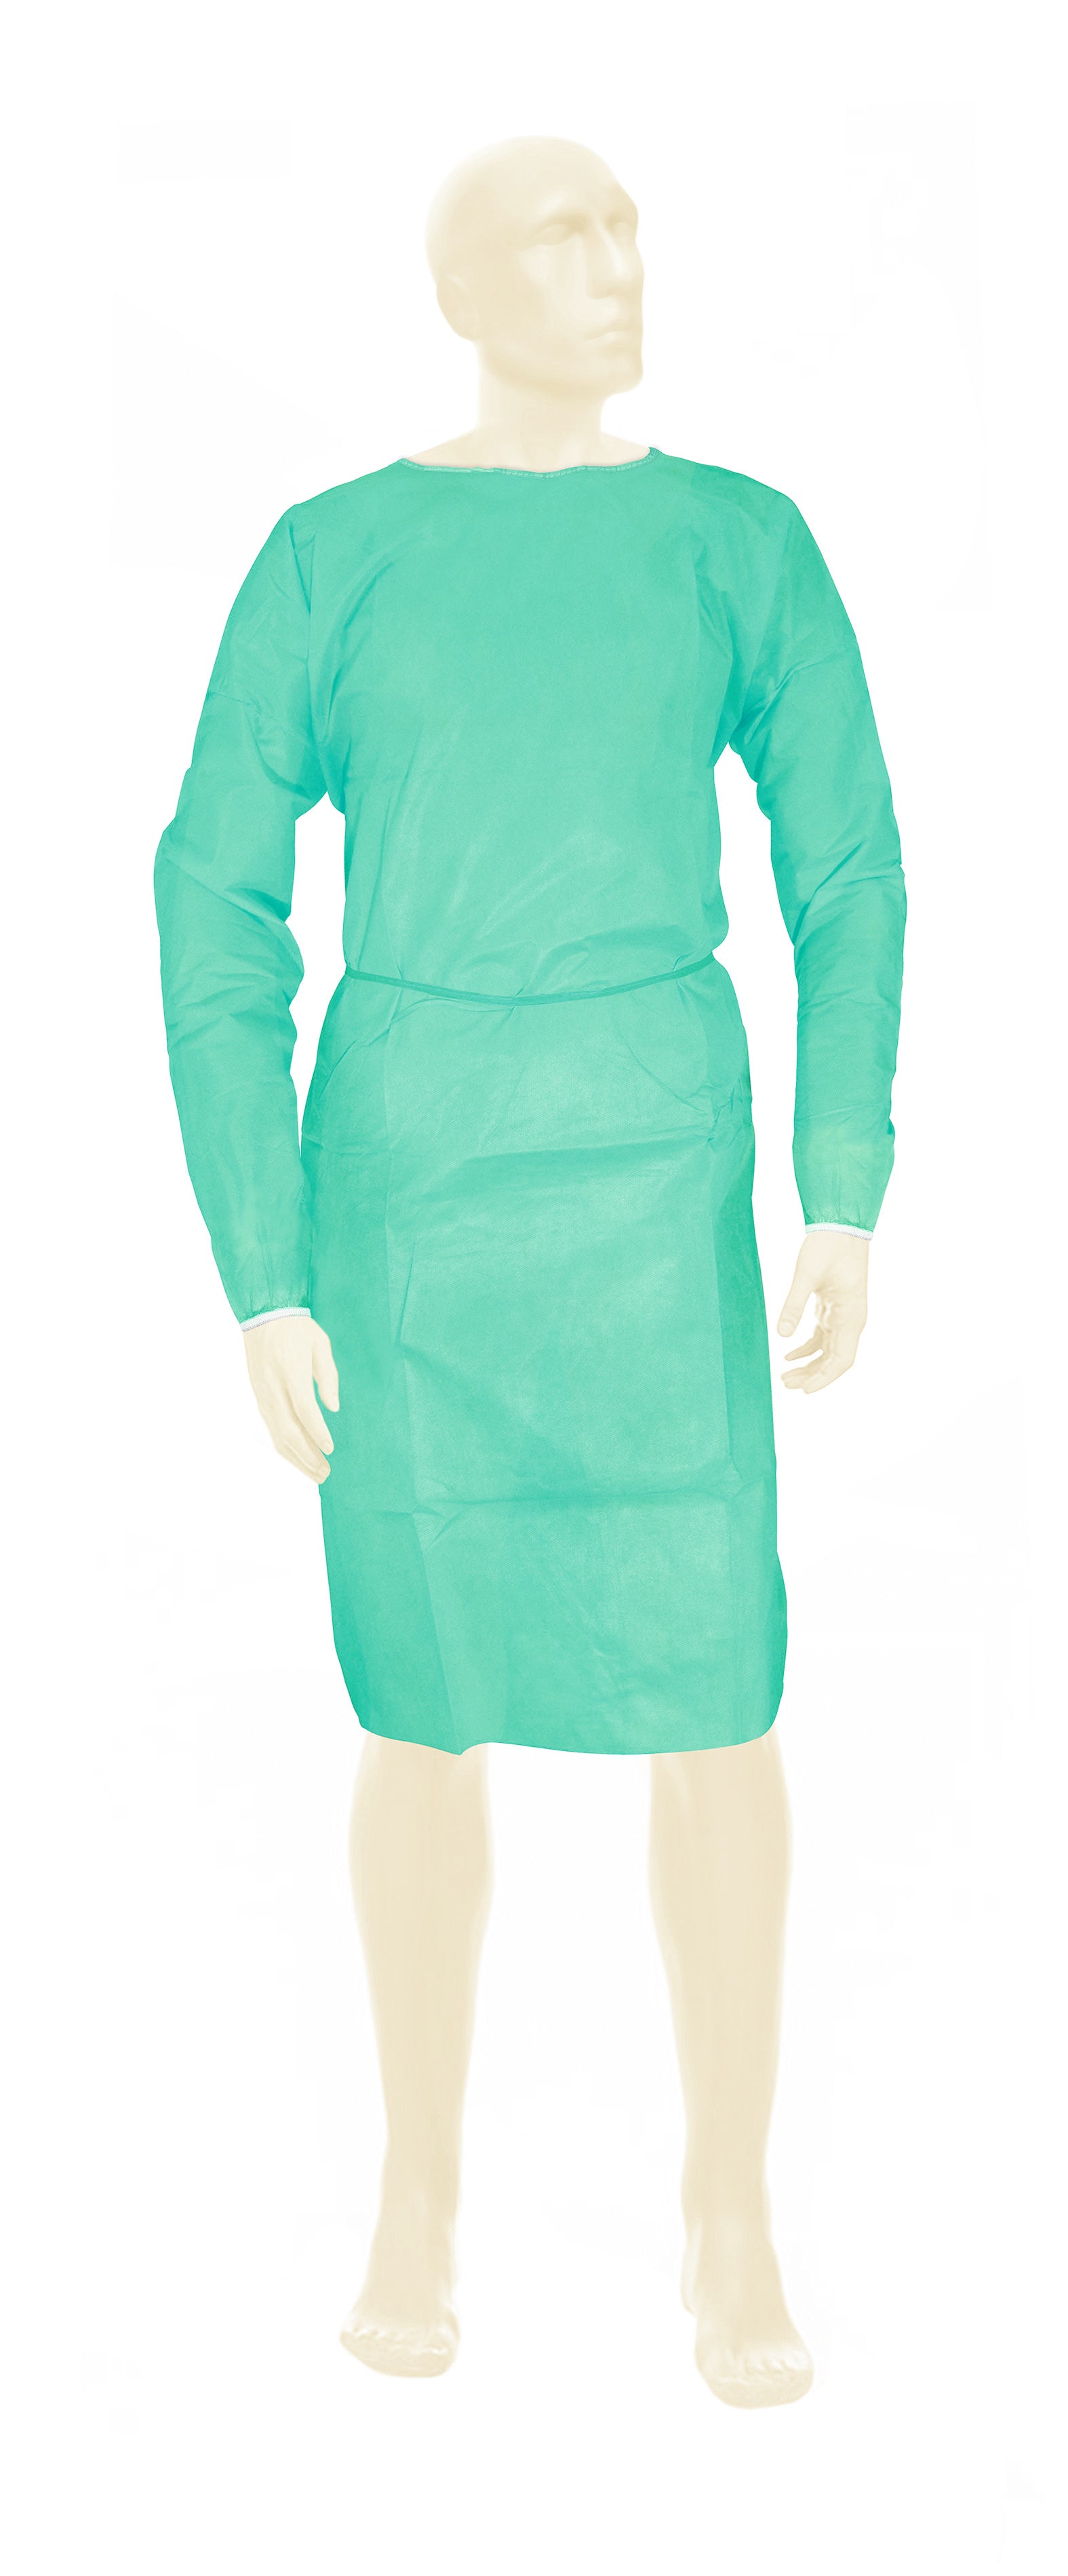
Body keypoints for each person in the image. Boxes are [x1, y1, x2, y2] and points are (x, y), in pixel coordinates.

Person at [155, 136, 905, 2404]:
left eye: (628, 226)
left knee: (721, 1696)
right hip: (408, 1200)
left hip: (653, 1173)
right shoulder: (337, 556)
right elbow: (212, 891)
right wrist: (260, 1258)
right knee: (422, 1699)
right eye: (564, 236)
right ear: (466, 289)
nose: (617, 264)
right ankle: (416, 2190)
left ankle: (730, 2210)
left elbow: (849, 858)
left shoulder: (736, 543)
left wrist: (842, 1176)